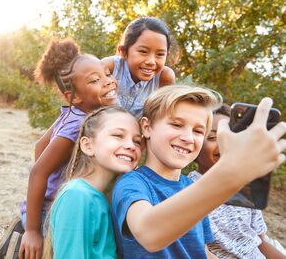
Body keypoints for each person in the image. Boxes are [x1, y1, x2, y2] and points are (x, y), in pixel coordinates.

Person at [112, 85, 286, 258]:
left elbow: (203, 252)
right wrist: (230, 173)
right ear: (147, 127)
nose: (188, 138)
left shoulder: (190, 186)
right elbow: (149, 234)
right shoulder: (132, 182)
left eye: (198, 131)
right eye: (176, 124)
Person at [19, 38, 118, 259]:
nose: (108, 82)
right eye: (95, 80)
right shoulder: (77, 126)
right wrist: (33, 231)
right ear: (75, 96)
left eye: (107, 74)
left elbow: (39, 147)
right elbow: (38, 171)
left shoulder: (75, 113)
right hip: (48, 213)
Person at [43, 106, 143, 259]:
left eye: (137, 141)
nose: (131, 145)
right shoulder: (77, 195)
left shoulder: (104, 196)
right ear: (88, 146)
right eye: (118, 135)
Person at [189, 103, 286, 259]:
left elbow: (259, 242)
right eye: (213, 137)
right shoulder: (188, 191)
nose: (224, 144)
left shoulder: (247, 184)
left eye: (233, 137)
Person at [102, 17, 176, 118]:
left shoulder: (164, 77)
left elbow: (163, 115)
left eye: (160, 54)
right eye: (143, 51)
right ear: (123, 51)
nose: (151, 61)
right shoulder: (109, 67)